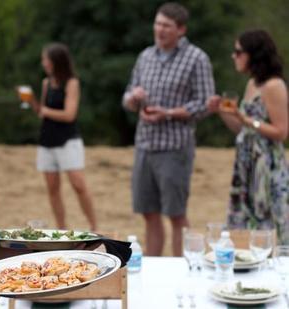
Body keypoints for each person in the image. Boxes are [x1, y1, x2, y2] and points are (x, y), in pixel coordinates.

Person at [122, 2, 215, 256]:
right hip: (144, 145)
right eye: (158, 23)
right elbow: (127, 97)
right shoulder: (145, 56)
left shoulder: (197, 58)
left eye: (167, 25)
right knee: (148, 213)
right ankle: (152, 267)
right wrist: (134, 98)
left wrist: (169, 113)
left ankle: (181, 270)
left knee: (176, 214)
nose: (160, 29)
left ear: (181, 30)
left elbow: (205, 105)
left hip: (174, 148)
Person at [207, 30, 289, 245]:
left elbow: (281, 131)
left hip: (267, 169)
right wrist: (222, 112)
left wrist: (245, 119)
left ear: (254, 54)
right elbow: (242, 129)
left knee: (270, 222)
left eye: (238, 52)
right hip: (245, 166)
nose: (234, 56)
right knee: (243, 225)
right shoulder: (252, 84)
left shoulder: (274, 86)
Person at [21, 43, 97, 231]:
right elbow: (42, 112)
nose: (43, 63)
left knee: (78, 184)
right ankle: (61, 228)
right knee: (53, 188)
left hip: (68, 140)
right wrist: (31, 102)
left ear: (56, 61)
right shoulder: (46, 83)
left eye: (46, 59)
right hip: (47, 140)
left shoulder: (72, 83)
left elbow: (69, 114)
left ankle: (94, 226)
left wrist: (45, 110)